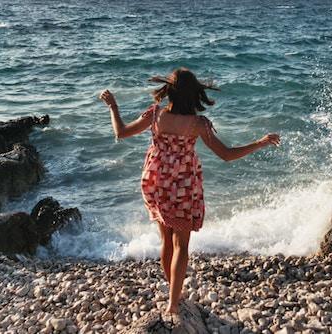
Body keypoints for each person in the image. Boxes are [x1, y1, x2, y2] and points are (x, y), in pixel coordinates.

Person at [99, 68, 280, 315]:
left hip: (155, 182)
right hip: (183, 185)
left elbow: (121, 132)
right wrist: (260, 142)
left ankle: (174, 293)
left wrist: (113, 106)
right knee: (181, 246)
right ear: (194, 94)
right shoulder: (198, 124)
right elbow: (226, 155)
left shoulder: (155, 115)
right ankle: (173, 303)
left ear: (169, 91)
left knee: (166, 241)